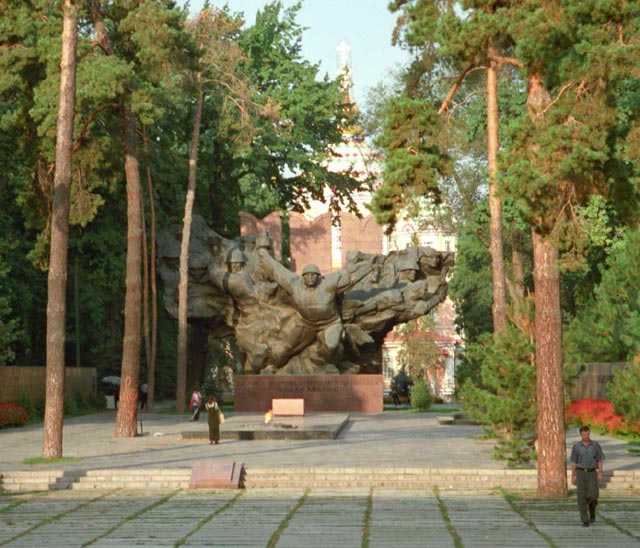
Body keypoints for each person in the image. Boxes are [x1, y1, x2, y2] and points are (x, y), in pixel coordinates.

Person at [570, 425, 605, 527]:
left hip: (592, 472)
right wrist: (573, 475)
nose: (585, 436)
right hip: (580, 472)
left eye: (587, 434)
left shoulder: (595, 445)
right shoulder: (576, 447)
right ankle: (585, 520)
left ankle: (592, 510)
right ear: (580, 434)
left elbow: (600, 460)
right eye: (583, 434)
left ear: (589, 433)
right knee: (581, 497)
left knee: (593, 496)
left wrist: (600, 473)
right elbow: (574, 462)